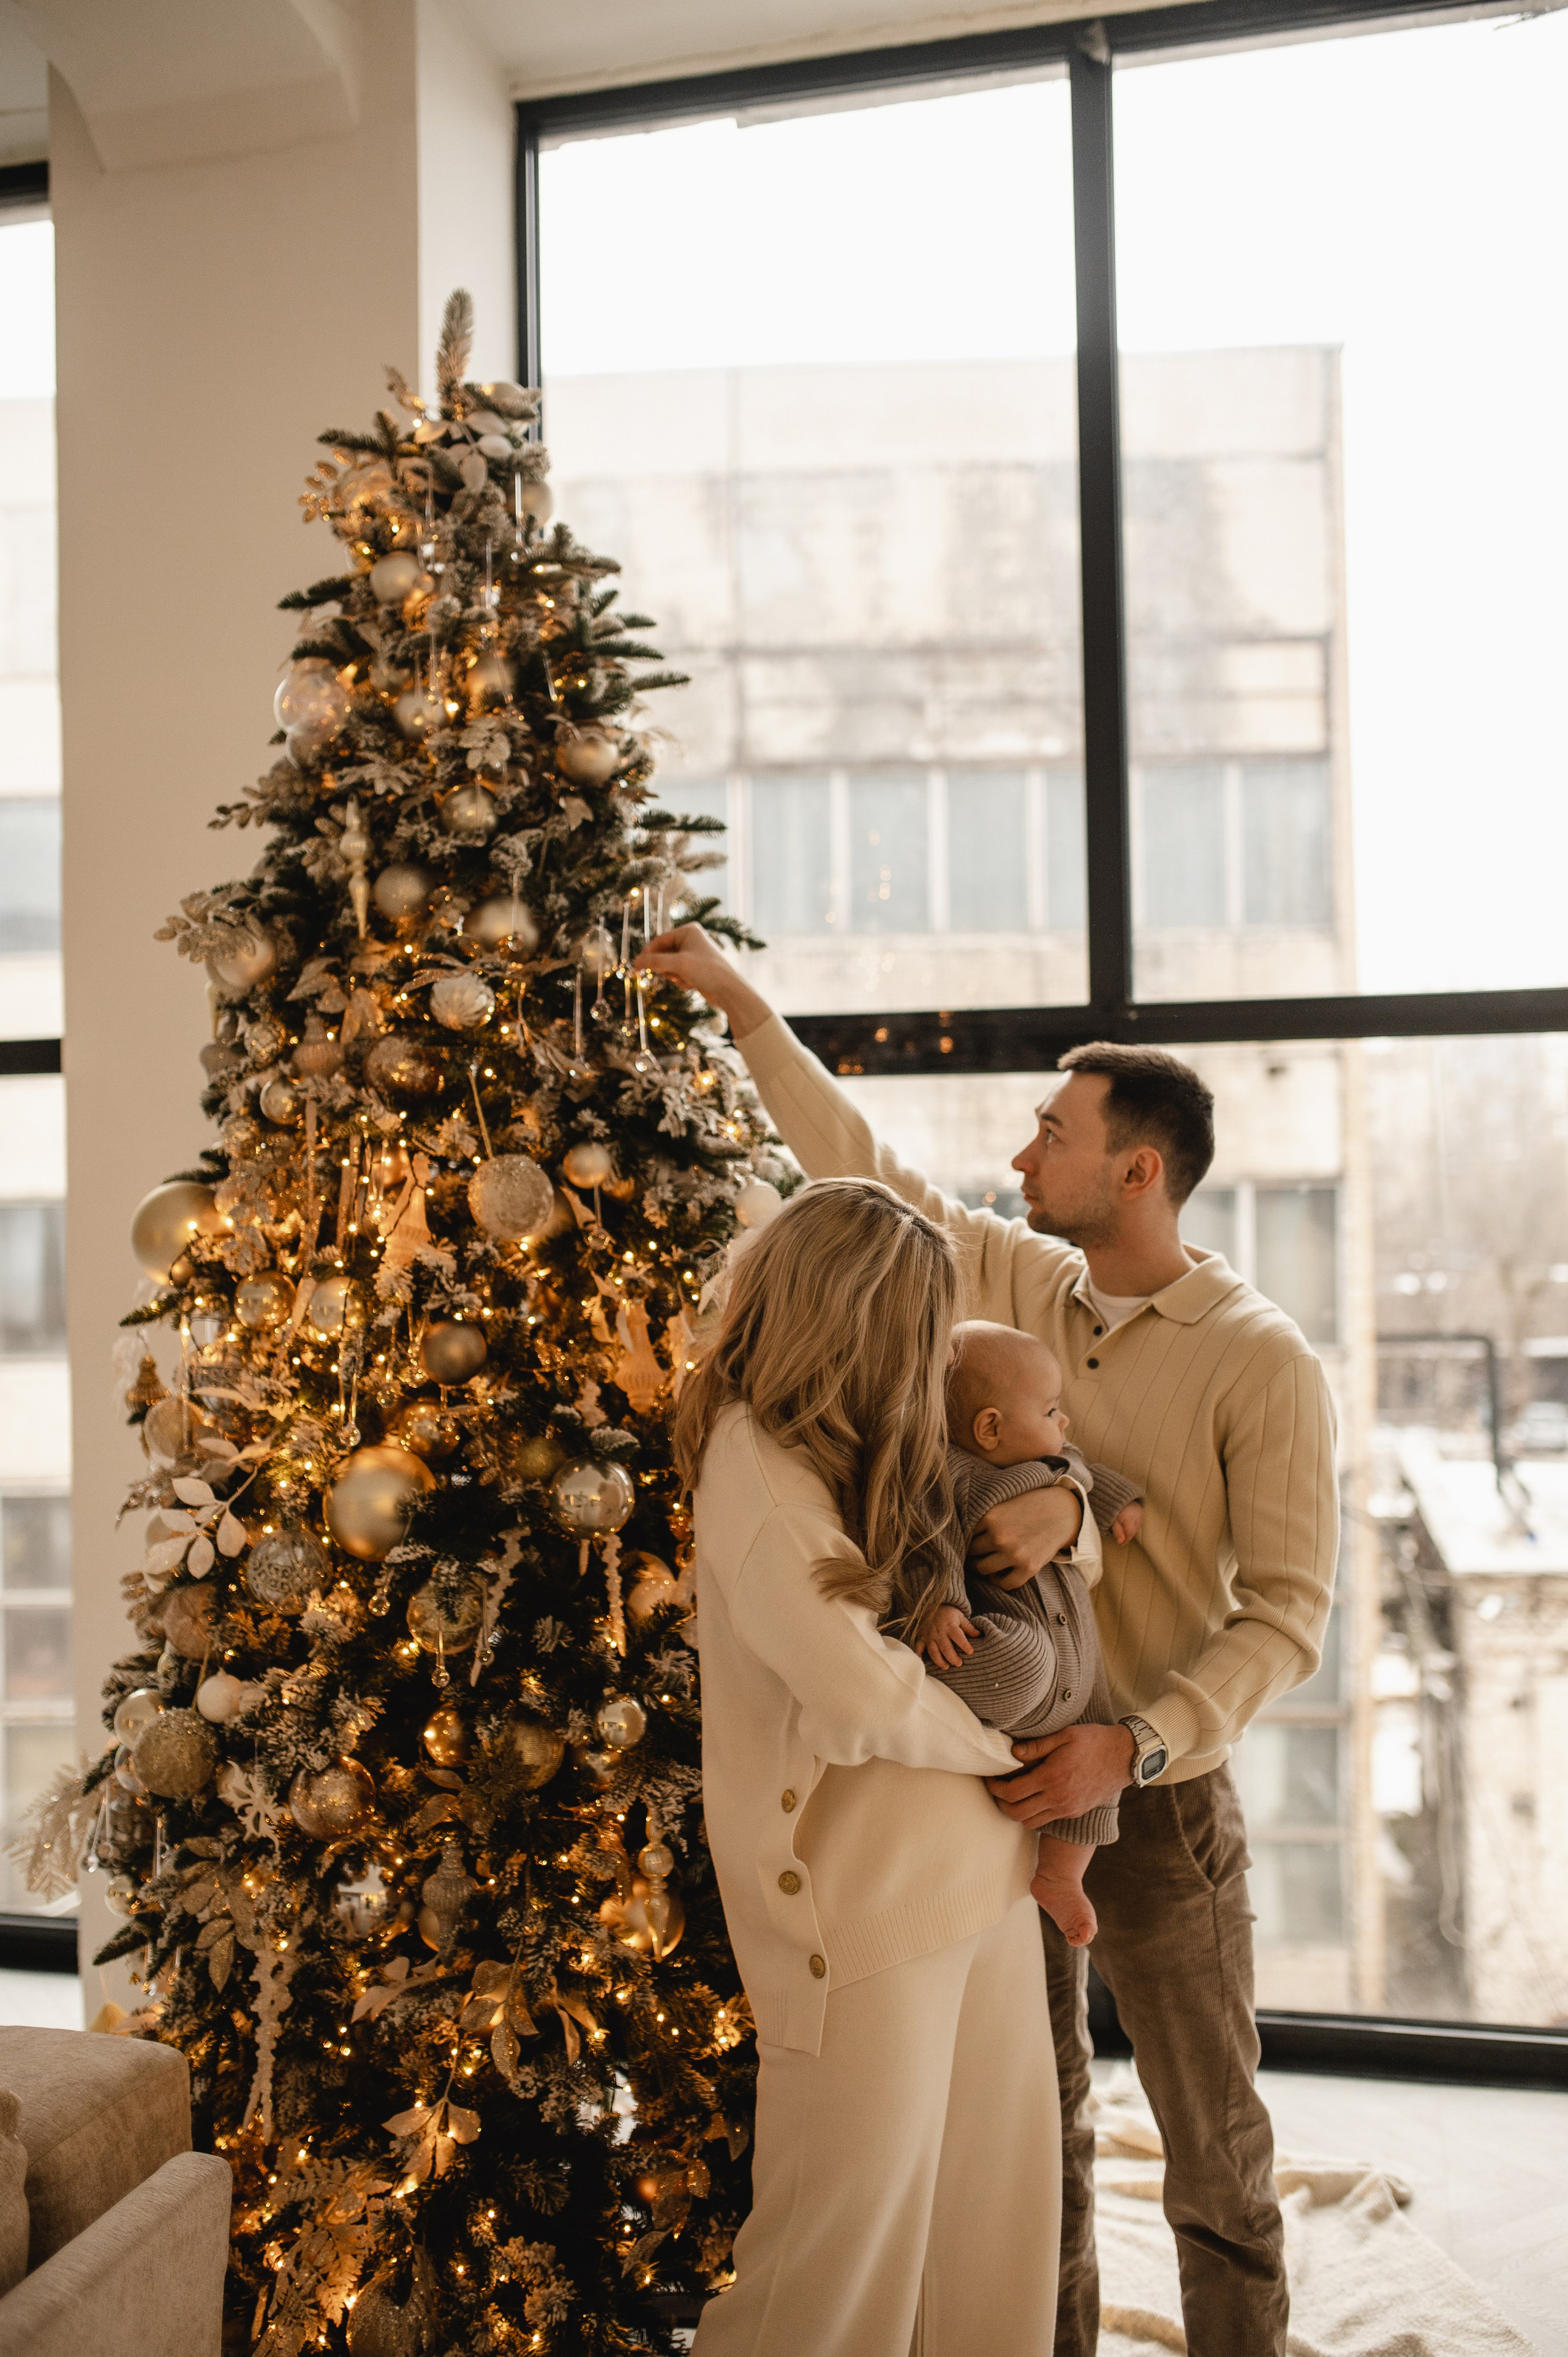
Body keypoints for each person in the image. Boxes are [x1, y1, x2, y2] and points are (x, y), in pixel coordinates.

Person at [641, 924, 1339, 2357]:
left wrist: (1131, 1737)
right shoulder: (1015, 1282)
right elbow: (858, 1175)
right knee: (1035, 2141)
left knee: (1207, 2139)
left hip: (1150, 1775)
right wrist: (739, 1003)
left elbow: (1285, 1616)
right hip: (997, 1779)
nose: (1020, 1156)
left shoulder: (1258, 1354)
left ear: (1135, 1169)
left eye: (1048, 1130)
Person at [676, 1178, 1065, 2356]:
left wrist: (1073, 1507)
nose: (932, 1364)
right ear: (851, 1321)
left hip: (975, 1877)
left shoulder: (857, 1440)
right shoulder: (756, 1466)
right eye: (916, 1331)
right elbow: (858, 1690)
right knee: (832, 2271)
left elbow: (1032, 1475)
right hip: (859, 1914)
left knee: (993, 2232)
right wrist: (1012, 1752)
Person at [895, 1319, 1140, 1947]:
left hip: (1079, 1666)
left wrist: (1112, 1501)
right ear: (990, 1428)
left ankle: (1061, 1875)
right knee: (1021, 1663)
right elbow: (930, 1540)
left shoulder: (1048, 1462)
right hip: (1016, 1641)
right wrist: (941, 1602)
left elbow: (1081, 1466)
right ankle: (940, 1658)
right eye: (1052, 1410)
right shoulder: (949, 1473)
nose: (1063, 1424)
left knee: (1098, 1733)